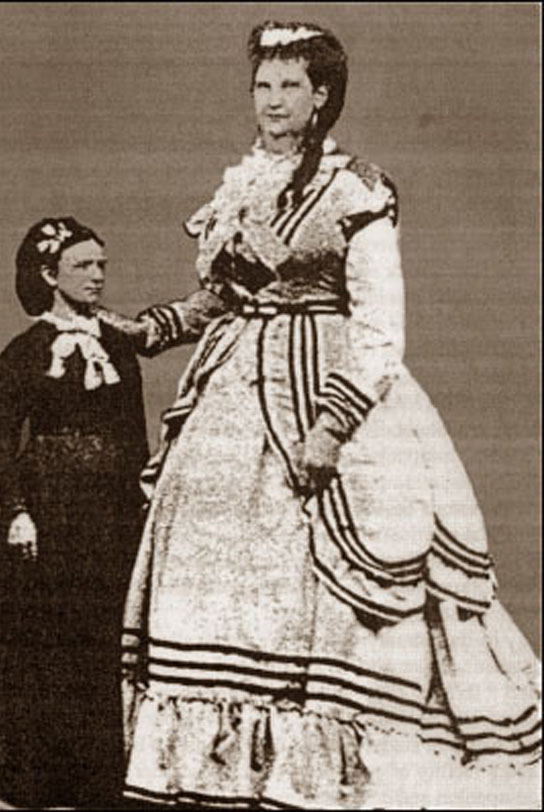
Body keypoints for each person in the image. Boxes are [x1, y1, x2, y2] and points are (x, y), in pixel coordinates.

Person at [109, 21, 540, 809]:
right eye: (262, 85)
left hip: (328, 390)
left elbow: (379, 325)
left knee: (333, 582)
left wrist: (332, 427)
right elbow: (224, 297)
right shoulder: (242, 185)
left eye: (290, 86)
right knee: (217, 575)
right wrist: (154, 329)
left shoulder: (355, 189)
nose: (272, 100)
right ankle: (225, 776)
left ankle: (325, 778)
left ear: (321, 97)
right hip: (235, 394)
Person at [0, 216, 224, 809]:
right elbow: (0, 447)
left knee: (104, 637)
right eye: (82, 265)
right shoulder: (21, 355)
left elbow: (134, 437)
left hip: (109, 518)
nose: (96, 276)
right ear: (48, 274)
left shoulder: (118, 347)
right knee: (45, 639)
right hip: (47, 518)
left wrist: (142, 500)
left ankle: (99, 781)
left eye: (101, 265)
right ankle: (35, 781)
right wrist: (17, 511)